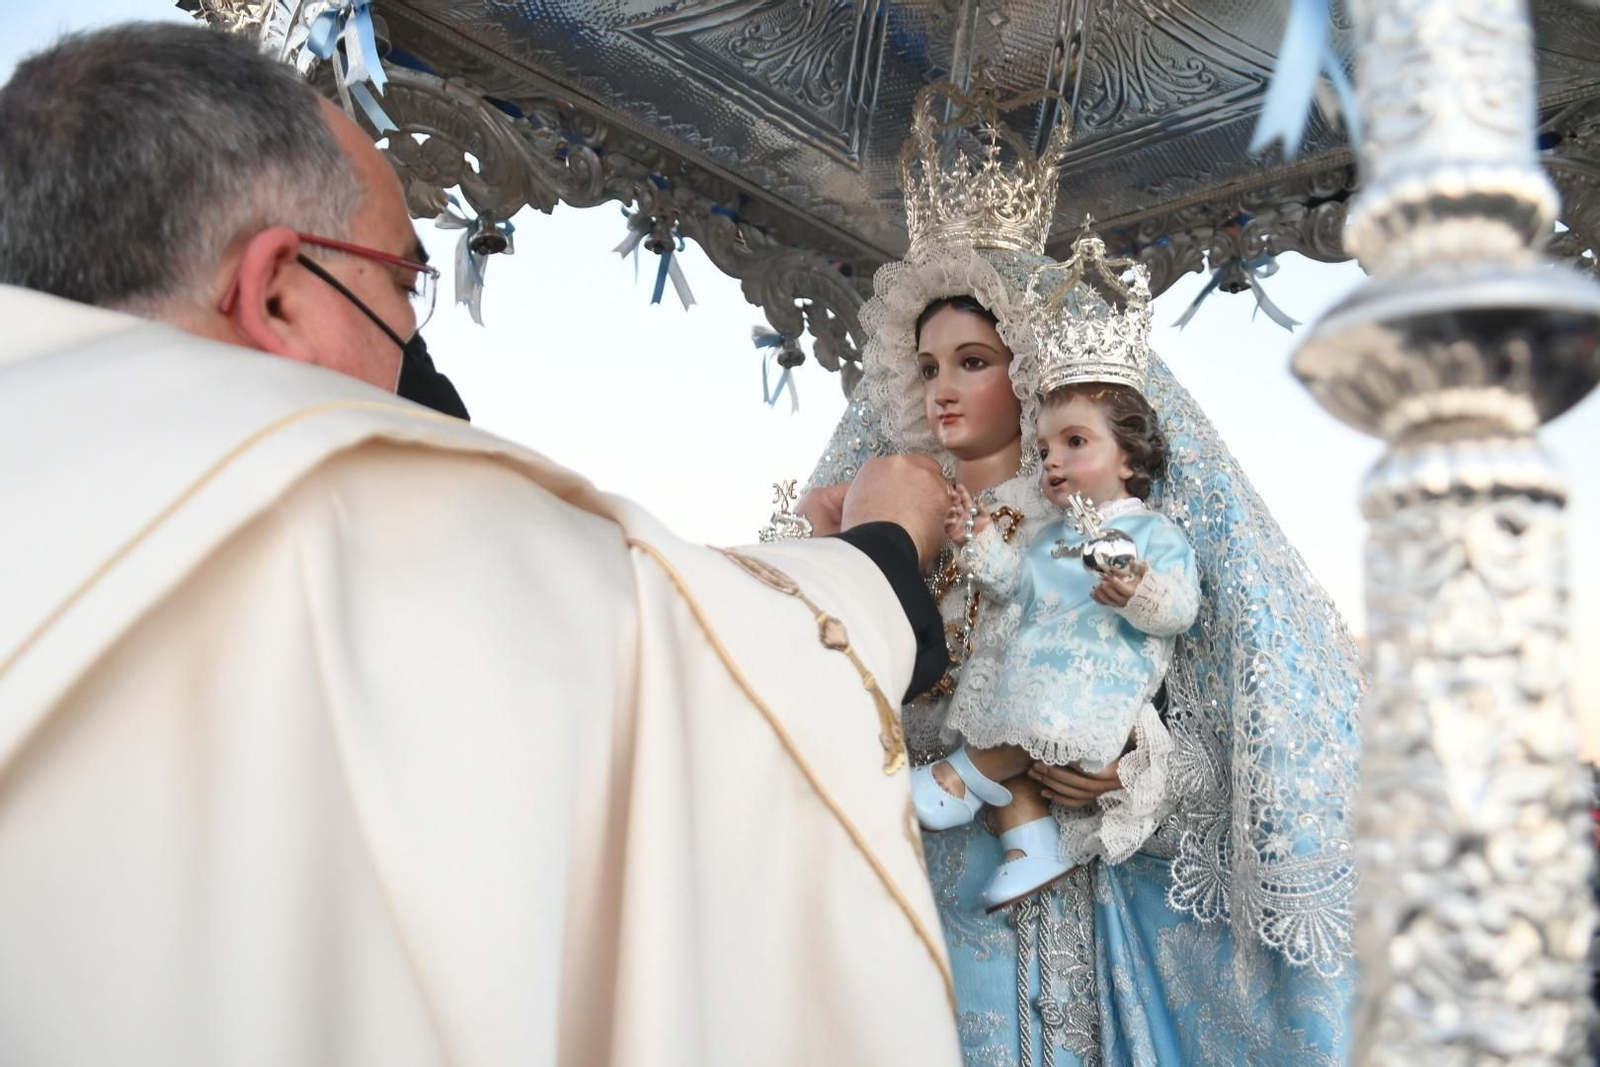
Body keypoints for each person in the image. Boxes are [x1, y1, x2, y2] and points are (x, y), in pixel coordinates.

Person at [0, 23, 965, 1067]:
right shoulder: (337, 503)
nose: (414, 350)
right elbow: (694, 659)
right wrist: (881, 546)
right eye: (402, 283)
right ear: (277, 290)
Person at [806, 81, 1362, 1064]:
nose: (943, 388)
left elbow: (1210, 721)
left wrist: (1127, 773)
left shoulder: (1090, 526)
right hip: (898, 865)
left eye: (972, 359)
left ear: (1026, 366)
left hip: (1059, 891)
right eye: (928, 364)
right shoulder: (881, 501)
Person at [916, 374, 1199, 913]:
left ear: (1128, 458)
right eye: (1043, 449)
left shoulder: (1152, 533)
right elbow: (1013, 586)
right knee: (1011, 751)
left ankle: (950, 780)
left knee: (1027, 724)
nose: (1051, 460)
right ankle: (1033, 847)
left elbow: (1180, 609)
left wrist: (1139, 590)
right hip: (1028, 683)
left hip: (1091, 694)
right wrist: (976, 541)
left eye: (1075, 442)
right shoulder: (1052, 537)